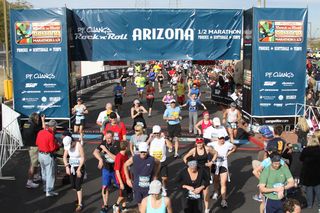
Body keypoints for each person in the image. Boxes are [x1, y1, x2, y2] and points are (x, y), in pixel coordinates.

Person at [183, 138, 217, 213]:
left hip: (205, 172)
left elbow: (215, 153)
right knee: (196, 192)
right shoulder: (193, 150)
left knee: (205, 193)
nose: (199, 144)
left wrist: (212, 162)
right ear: (196, 143)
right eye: (198, 143)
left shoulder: (207, 149)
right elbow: (185, 157)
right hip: (196, 172)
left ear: (203, 143)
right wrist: (189, 166)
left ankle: (206, 209)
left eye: (201, 143)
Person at [124, 143, 160, 211]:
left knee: (148, 204)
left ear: (147, 150)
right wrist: (127, 179)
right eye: (142, 152)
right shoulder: (134, 158)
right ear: (139, 151)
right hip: (137, 187)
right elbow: (125, 165)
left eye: (145, 151)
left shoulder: (152, 159)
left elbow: (159, 163)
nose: (143, 153)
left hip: (148, 188)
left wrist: (155, 174)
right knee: (140, 204)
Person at [93, 131, 120, 212]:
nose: (108, 140)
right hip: (106, 169)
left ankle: (120, 204)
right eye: (106, 138)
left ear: (113, 137)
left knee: (121, 187)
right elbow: (95, 152)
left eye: (109, 138)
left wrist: (106, 151)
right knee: (105, 187)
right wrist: (100, 159)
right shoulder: (103, 143)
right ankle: (105, 205)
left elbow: (116, 159)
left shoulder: (117, 144)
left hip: (116, 170)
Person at [207, 133, 236, 208]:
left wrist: (229, 153)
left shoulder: (227, 144)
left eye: (223, 138)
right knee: (216, 180)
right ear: (218, 139)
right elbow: (207, 145)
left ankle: (223, 200)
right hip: (215, 165)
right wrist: (211, 153)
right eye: (220, 138)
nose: (222, 140)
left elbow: (235, 147)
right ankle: (216, 192)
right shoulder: (213, 143)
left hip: (223, 165)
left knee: (223, 183)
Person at [36, 119, 60, 197]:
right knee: (50, 173)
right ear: (53, 127)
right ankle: (49, 191)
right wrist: (58, 145)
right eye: (55, 127)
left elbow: (37, 143)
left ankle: (45, 188)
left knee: (43, 172)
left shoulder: (40, 132)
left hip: (40, 154)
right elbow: (52, 148)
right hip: (47, 155)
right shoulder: (50, 135)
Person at [147, 125, 173, 196]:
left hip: (162, 161)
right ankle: (154, 190)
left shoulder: (163, 139)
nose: (156, 134)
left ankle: (164, 188)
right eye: (155, 133)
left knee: (164, 178)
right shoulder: (151, 139)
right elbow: (144, 146)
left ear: (160, 132)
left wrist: (165, 137)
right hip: (153, 162)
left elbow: (170, 146)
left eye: (157, 133)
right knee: (155, 177)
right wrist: (149, 138)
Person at [22, 112, 45, 189]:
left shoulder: (26, 124)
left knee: (35, 162)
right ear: (36, 118)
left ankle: (35, 176)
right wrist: (43, 121)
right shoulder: (34, 126)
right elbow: (43, 130)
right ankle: (29, 181)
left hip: (29, 145)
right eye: (38, 118)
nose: (38, 119)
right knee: (33, 164)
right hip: (34, 146)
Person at [63, 137, 85, 212]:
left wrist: (79, 169)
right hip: (71, 167)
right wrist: (66, 166)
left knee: (78, 185)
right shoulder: (67, 147)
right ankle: (79, 197)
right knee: (73, 185)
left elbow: (82, 157)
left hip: (79, 167)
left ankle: (80, 204)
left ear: (72, 142)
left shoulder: (78, 145)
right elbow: (64, 157)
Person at [300, 135, 320, 210]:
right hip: (318, 171)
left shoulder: (306, 150)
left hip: (308, 172)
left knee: (309, 189)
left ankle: (309, 205)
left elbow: (301, 158)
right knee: (318, 188)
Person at [113, 141, 131, 213]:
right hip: (121, 179)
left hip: (126, 178)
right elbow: (117, 171)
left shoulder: (126, 154)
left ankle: (123, 208)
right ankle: (116, 205)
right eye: (128, 146)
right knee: (122, 195)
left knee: (126, 194)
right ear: (126, 147)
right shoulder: (119, 157)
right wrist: (121, 183)